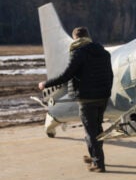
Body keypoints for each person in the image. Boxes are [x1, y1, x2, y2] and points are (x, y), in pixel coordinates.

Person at [38, 27, 113, 172]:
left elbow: (66, 76)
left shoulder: (78, 53)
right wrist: (106, 91)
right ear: (88, 36)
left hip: (86, 99)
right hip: (102, 97)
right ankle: (95, 157)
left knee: (91, 132)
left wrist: (45, 84)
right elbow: (110, 75)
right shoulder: (103, 52)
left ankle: (98, 163)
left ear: (75, 39)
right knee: (97, 129)